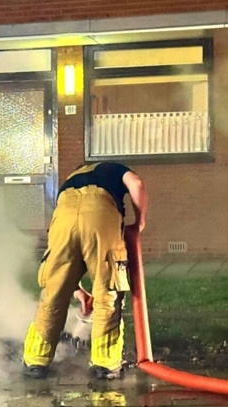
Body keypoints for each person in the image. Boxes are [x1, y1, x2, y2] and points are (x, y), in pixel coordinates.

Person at [22, 161, 147, 380]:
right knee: (107, 290)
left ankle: (36, 361)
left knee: (53, 291)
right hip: (100, 213)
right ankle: (106, 364)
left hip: (62, 219)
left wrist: (78, 291)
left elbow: (66, 263)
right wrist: (139, 222)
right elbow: (136, 183)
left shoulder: (69, 182)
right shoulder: (112, 168)